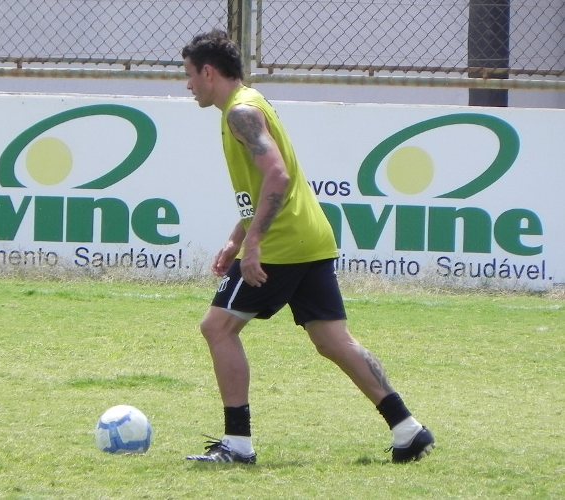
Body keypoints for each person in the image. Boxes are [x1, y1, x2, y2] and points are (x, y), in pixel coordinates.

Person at [181, 29, 435, 465]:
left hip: (283, 244)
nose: (187, 85)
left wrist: (254, 243)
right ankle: (408, 429)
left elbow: (276, 176)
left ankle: (238, 445)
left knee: (217, 328)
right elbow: (264, 184)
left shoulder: (239, 113)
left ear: (208, 71)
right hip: (309, 236)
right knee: (333, 340)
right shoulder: (251, 102)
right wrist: (236, 237)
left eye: (189, 75)